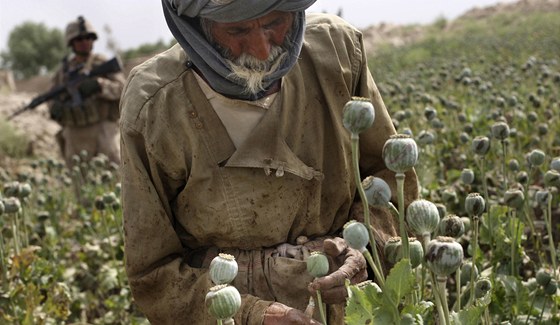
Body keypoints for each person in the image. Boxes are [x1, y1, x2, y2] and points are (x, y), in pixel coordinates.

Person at [119, 1, 418, 324]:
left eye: (275, 22)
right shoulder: (154, 105)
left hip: (351, 306)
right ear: (195, 27)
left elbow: (388, 176)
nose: (262, 51)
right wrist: (249, 313)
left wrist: (366, 248)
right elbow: (153, 275)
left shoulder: (337, 52)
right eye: (237, 30)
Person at [49, 16, 125, 167]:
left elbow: (124, 89)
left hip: (103, 130)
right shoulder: (63, 72)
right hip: (75, 133)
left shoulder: (102, 63)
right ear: (71, 43)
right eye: (79, 39)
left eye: (88, 38)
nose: (84, 42)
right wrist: (55, 108)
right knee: (81, 183)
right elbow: (52, 98)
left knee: (114, 175)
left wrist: (100, 85)